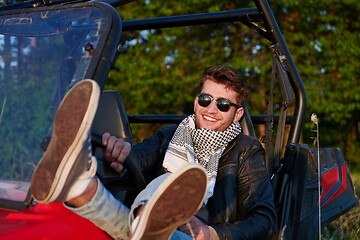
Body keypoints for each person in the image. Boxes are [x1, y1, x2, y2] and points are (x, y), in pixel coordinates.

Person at [30, 65, 277, 240]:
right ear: (195, 101)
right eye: (205, 99)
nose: (211, 109)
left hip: (197, 235)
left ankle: (83, 191)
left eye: (223, 104)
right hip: (152, 229)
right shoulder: (171, 135)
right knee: (164, 181)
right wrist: (121, 152)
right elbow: (138, 157)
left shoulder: (246, 150)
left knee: (167, 188)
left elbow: (265, 221)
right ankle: (145, 218)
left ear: (238, 113)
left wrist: (212, 234)